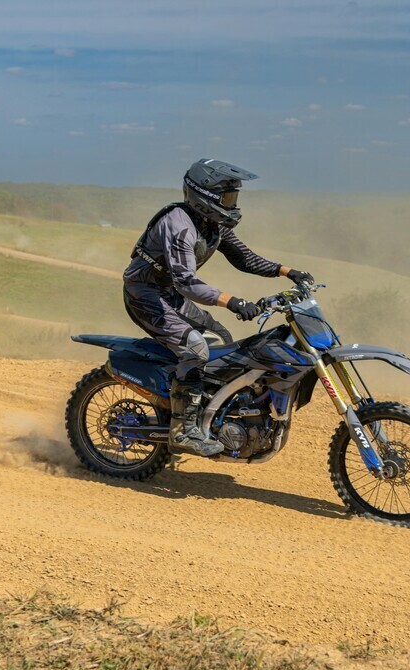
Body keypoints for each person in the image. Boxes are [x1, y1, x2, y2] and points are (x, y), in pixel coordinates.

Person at [123, 159, 314, 457]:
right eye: (227, 198)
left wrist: (288, 271)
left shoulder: (212, 224)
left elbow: (245, 258)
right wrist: (233, 301)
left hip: (167, 294)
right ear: (205, 197)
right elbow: (186, 282)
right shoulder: (179, 226)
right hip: (144, 295)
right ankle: (183, 431)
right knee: (196, 349)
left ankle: (207, 414)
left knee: (221, 338)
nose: (232, 203)